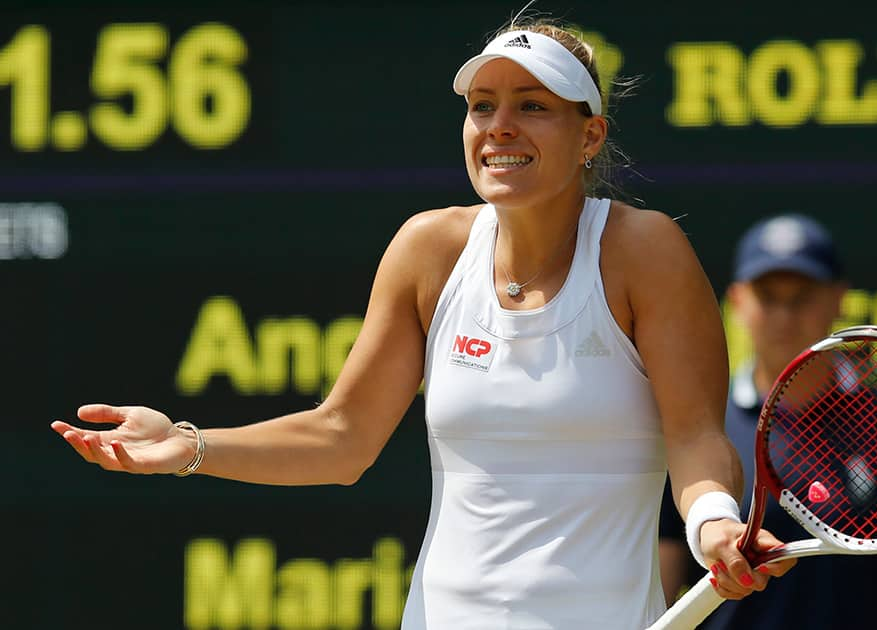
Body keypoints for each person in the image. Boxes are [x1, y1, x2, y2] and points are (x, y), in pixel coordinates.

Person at [51, 19, 794, 629]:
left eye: (532, 105)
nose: (499, 126)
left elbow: (696, 435)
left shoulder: (645, 249)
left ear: (590, 135)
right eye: (482, 105)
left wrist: (714, 528)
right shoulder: (428, 250)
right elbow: (341, 438)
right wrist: (189, 445)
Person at [658, 213, 877, 629]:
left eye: (802, 295)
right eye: (768, 295)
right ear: (737, 301)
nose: (785, 315)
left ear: (838, 298)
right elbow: (658, 586)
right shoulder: (697, 433)